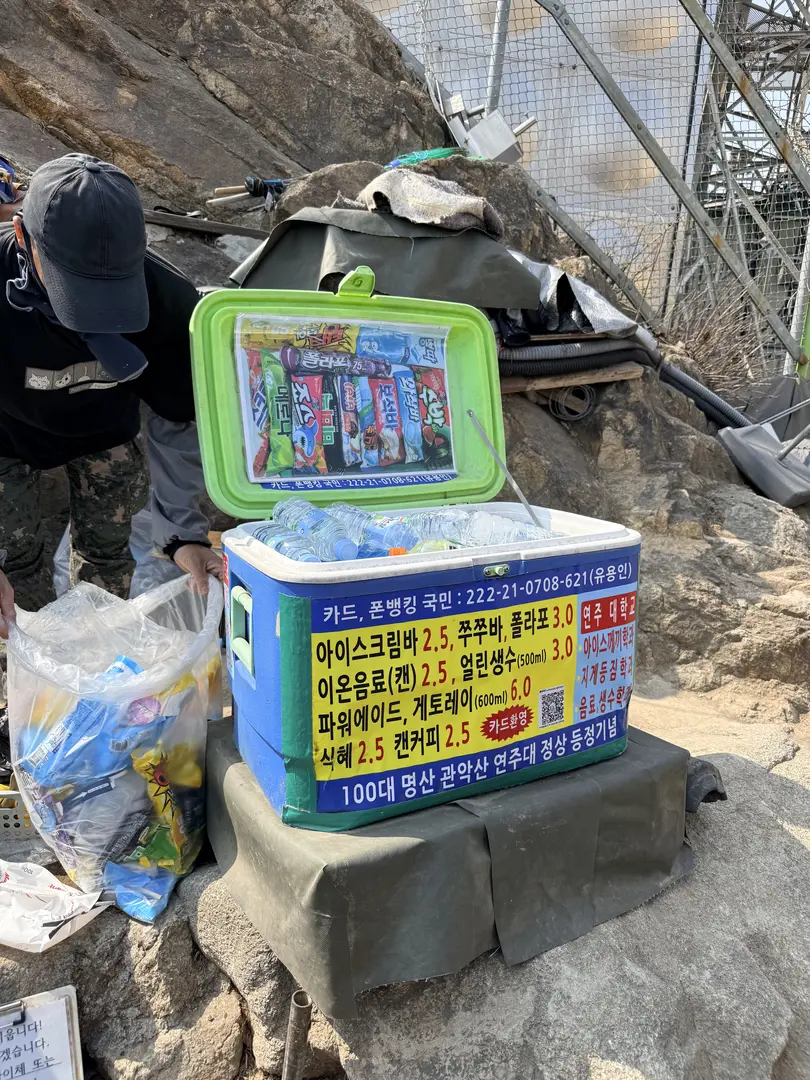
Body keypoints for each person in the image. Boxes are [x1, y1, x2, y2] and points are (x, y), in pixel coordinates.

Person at [0, 153, 221, 661]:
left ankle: (98, 667)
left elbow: (177, 419)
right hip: (7, 436)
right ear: (21, 236)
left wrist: (179, 534)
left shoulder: (169, 302)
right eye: (75, 290)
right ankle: (28, 673)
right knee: (16, 565)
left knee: (107, 556)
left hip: (105, 432)